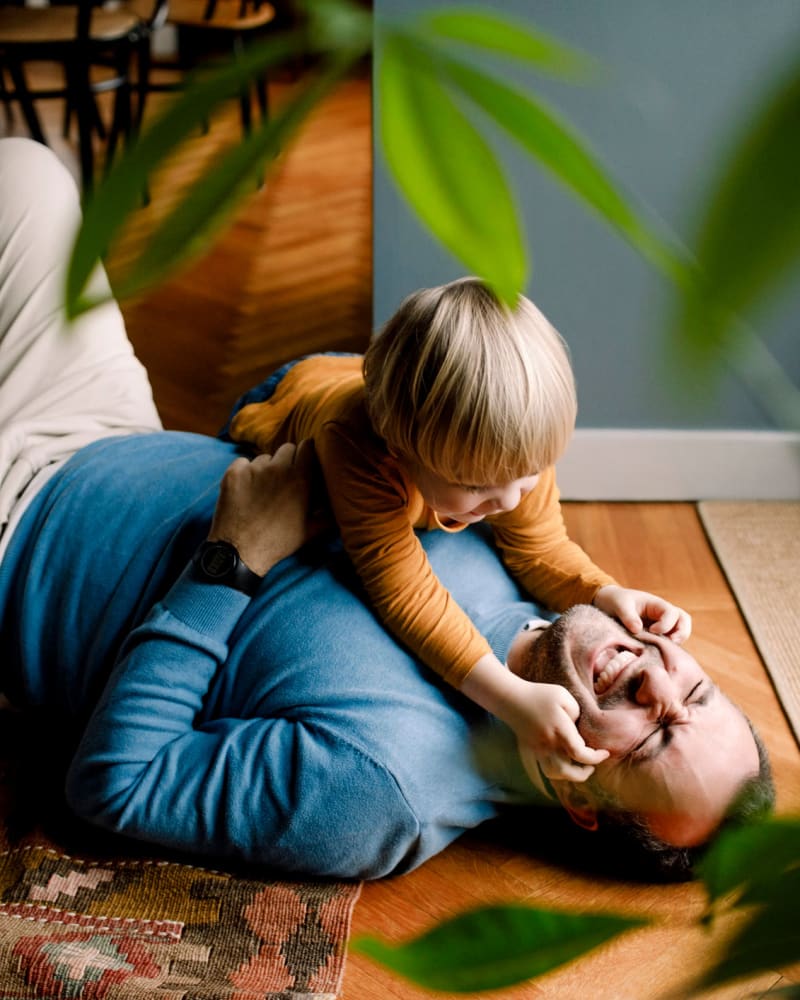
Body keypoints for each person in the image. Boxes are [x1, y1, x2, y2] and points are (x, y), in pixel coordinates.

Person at [0, 138, 772, 883]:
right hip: (102, 426)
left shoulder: (381, 786)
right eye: (695, 693)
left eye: (654, 738)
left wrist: (229, 561)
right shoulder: (557, 603)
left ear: (580, 797)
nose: (656, 688)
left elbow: (114, 784)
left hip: (15, 542)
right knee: (25, 175)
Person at [225, 281, 692, 788]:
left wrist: (604, 592)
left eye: (530, 474)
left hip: (371, 377)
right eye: (476, 486)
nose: (510, 500)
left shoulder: (512, 451)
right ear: (399, 449)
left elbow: (539, 548)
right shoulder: (356, 448)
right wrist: (509, 698)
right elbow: (404, 592)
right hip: (296, 392)